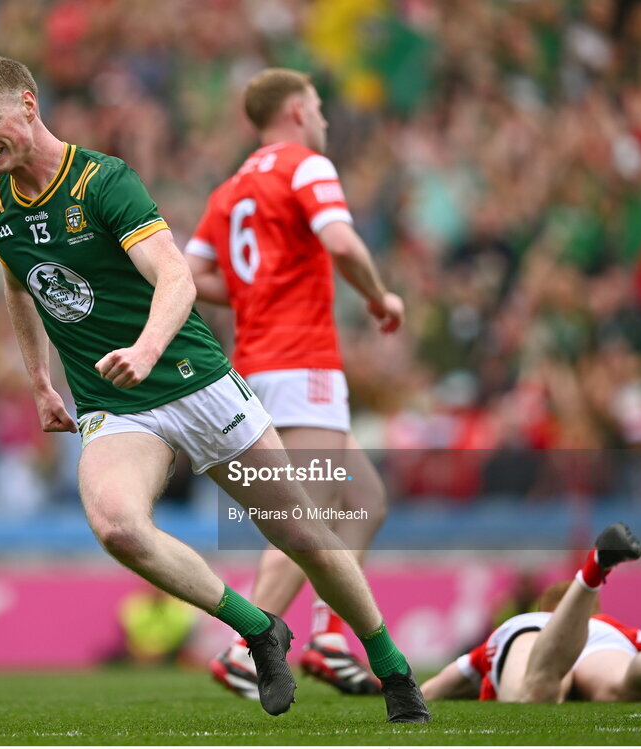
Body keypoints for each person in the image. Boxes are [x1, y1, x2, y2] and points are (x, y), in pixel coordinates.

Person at [0, 56, 429, 723]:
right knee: (117, 523)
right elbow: (18, 282)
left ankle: (392, 664)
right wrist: (39, 381)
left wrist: (145, 350)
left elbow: (176, 277)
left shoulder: (105, 180)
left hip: (190, 377)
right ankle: (260, 629)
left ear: (29, 106)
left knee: (304, 532)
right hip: (114, 403)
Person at [184, 68, 400, 698]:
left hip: (256, 365)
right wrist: (382, 297)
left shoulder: (230, 189)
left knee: (365, 502)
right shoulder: (307, 166)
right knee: (310, 514)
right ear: (300, 111)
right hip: (301, 364)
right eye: (321, 109)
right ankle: (241, 650)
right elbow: (340, 240)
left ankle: (329, 637)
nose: (326, 120)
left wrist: (252, 291)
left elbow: (190, 274)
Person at [420, 523, 641, 703]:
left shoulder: (524, 617)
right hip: (604, 636)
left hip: (526, 635)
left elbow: (434, 689)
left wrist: (389, 688)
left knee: (534, 693)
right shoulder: (606, 624)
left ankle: (593, 571)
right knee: (620, 687)